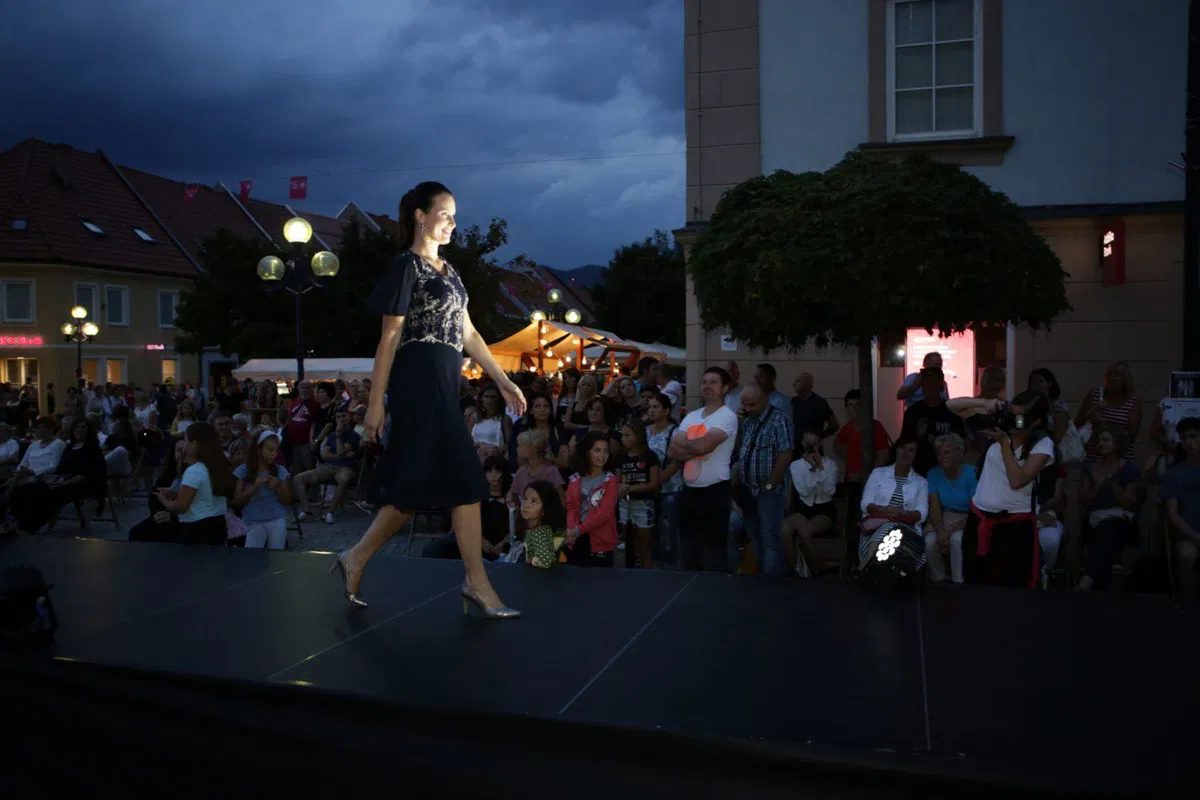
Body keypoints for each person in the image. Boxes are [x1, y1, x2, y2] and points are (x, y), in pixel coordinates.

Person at [332, 181, 526, 618]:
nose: (454, 223)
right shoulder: (407, 267)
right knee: (462, 482)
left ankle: (358, 557)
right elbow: (389, 337)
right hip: (417, 384)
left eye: (456, 215)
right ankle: (476, 583)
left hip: (444, 383)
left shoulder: (450, 272)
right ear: (421, 216)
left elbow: (469, 333)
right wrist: (375, 404)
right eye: (446, 214)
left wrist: (502, 380)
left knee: (424, 489)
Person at [948, 391, 1054, 587]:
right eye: (1012, 414)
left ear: (1036, 421)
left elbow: (1017, 480)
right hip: (980, 519)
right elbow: (952, 406)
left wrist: (1004, 443)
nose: (1014, 421)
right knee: (975, 584)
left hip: (1015, 526)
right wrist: (986, 402)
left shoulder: (1041, 443)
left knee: (1011, 589)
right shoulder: (1001, 425)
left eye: (1020, 418)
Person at [669, 366, 739, 571]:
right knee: (689, 547)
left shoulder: (727, 416)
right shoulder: (692, 416)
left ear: (725, 388)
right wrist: (698, 449)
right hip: (690, 491)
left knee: (713, 551)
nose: (707, 385)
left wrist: (692, 445)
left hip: (714, 490)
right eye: (704, 381)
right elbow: (672, 450)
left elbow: (703, 446)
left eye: (713, 382)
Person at [157, 421, 234, 546]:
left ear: (194, 443)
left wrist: (164, 501)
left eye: (186, 441)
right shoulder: (219, 466)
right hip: (218, 524)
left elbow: (180, 507)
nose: (185, 446)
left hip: (197, 528)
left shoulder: (194, 470)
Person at [233, 430, 293, 550]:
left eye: (276, 450)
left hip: (276, 519)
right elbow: (237, 501)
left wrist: (277, 488)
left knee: (276, 557)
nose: (274, 454)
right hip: (253, 520)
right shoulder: (243, 471)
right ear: (258, 449)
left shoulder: (280, 471)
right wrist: (254, 487)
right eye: (270, 450)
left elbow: (288, 500)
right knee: (252, 559)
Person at [521, 480, 568, 569]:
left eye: (533, 501)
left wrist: (530, 560)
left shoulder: (538, 533)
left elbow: (545, 561)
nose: (526, 505)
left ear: (545, 509)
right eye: (525, 498)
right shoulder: (538, 529)